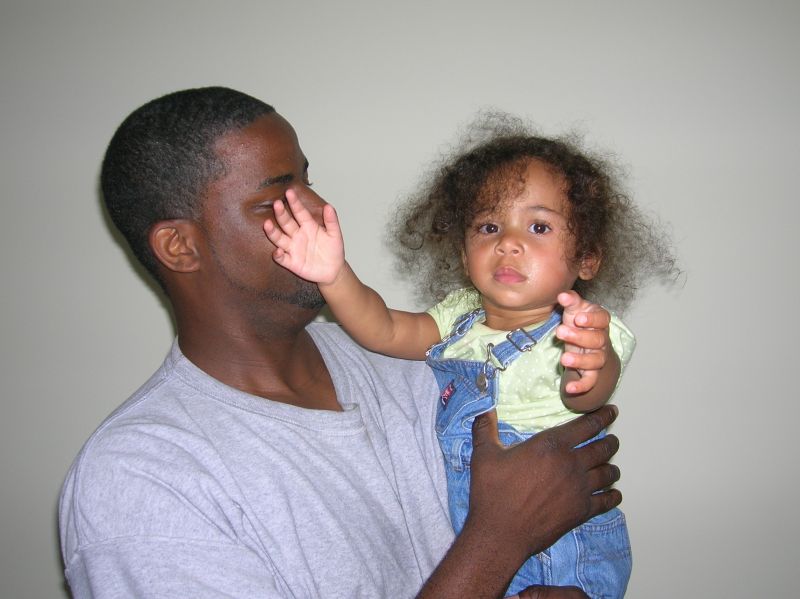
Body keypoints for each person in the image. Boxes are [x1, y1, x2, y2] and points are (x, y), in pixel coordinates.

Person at [59, 87, 625, 599]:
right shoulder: (143, 477)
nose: (318, 210)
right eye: (274, 202)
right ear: (180, 247)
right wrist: (498, 540)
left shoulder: (415, 368)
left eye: (307, 183)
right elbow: (505, 529)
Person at [264, 115, 676, 597]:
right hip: (481, 538)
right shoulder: (458, 318)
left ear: (586, 258)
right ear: (464, 254)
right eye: (489, 226)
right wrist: (334, 276)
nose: (508, 243)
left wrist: (588, 364)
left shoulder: (582, 328)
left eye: (539, 226)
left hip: (565, 545)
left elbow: (587, 399)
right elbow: (384, 329)